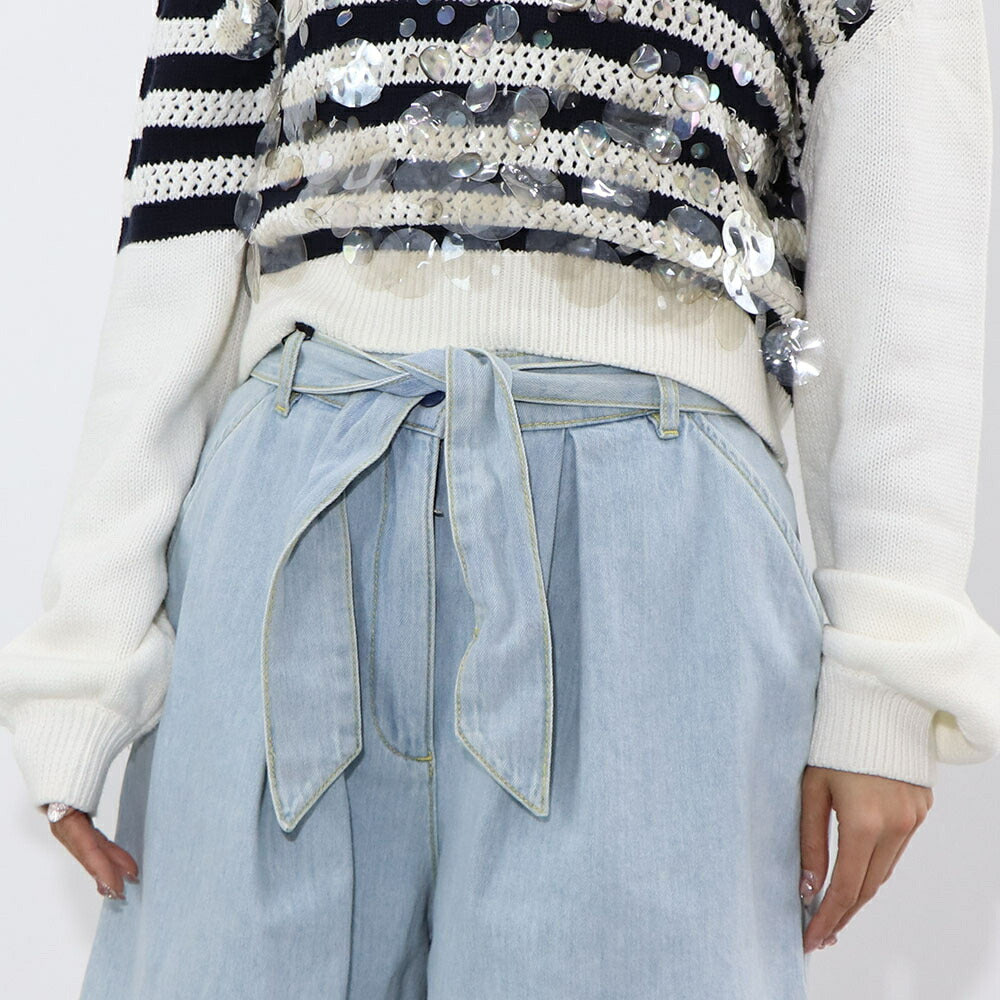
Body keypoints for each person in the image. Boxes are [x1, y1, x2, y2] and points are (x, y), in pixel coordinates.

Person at [2, 0, 998, 996]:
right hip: (288, 514)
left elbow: (905, 218)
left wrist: (889, 662)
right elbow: (182, 216)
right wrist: (88, 647)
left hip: (654, 554)